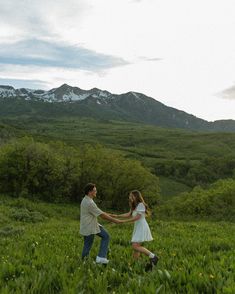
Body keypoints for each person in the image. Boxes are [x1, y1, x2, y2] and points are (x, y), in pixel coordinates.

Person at [111, 190, 159, 271]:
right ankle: (135, 264)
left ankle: (153, 256)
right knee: (136, 247)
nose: (130, 197)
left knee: (135, 246)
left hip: (141, 226)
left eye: (131, 196)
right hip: (137, 227)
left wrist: (123, 221)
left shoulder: (141, 205)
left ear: (136, 196)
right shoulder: (134, 205)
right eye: (130, 196)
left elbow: (137, 217)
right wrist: (116, 215)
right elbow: (128, 214)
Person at [80, 183, 123, 264]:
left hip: (92, 225)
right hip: (89, 227)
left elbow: (99, 211)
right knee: (88, 244)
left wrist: (111, 214)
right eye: (95, 190)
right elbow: (102, 215)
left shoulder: (87, 199)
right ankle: (91, 260)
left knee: (105, 236)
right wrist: (115, 220)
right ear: (90, 192)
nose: (96, 192)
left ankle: (100, 257)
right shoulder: (89, 203)